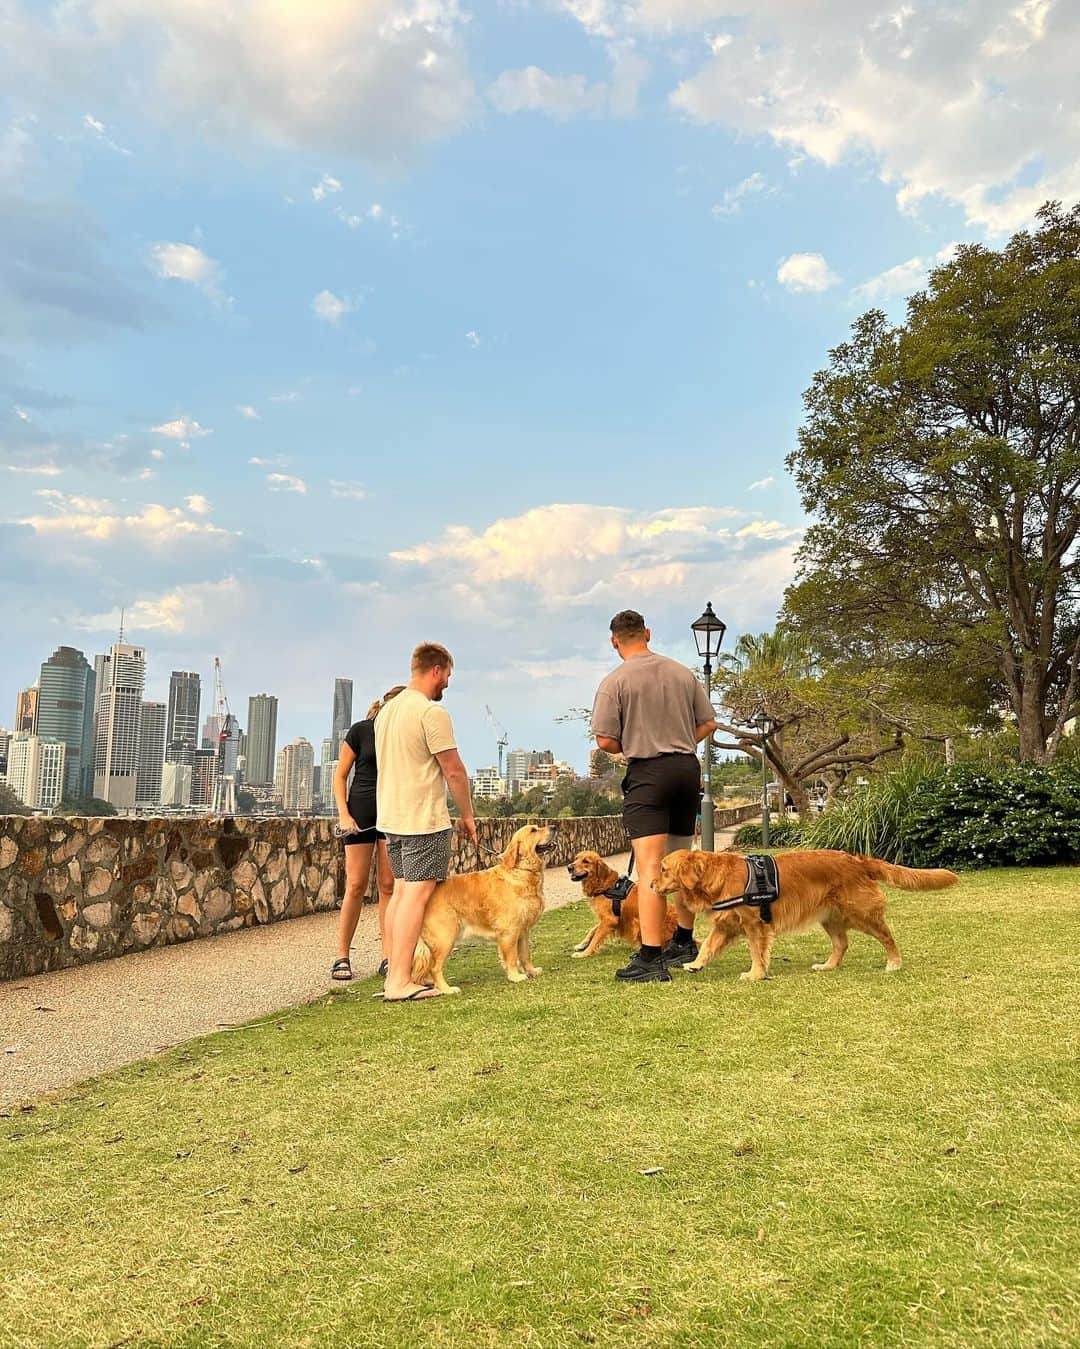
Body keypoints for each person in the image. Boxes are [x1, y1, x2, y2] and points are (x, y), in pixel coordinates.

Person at [590, 609, 719, 983]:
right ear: (647, 633)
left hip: (649, 772)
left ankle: (650, 957)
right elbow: (708, 722)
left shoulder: (615, 681)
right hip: (686, 769)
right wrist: (680, 743)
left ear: (615, 641)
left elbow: (604, 739)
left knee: (650, 867)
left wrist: (636, 745)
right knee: (681, 861)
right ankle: (683, 939)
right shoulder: (682, 672)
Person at [375, 641, 478, 1002]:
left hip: (392, 816)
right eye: (448, 674)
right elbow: (453, 769)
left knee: (401, 894)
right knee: (415, 898)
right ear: (436, 669)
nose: (447, 683)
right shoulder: (430, 713)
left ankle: (393, 972)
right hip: (422, 818)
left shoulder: (387, 711)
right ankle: (399, 981)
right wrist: (467, 815)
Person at [330, 685, 405, 982]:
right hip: (360, 812)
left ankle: (388, 957)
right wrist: (344, 815)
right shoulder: (361, 731)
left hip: (391, 813)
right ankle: (342, 955)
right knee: (356, 884)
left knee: (388, 886)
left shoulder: (402, 738)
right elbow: (340, 775)